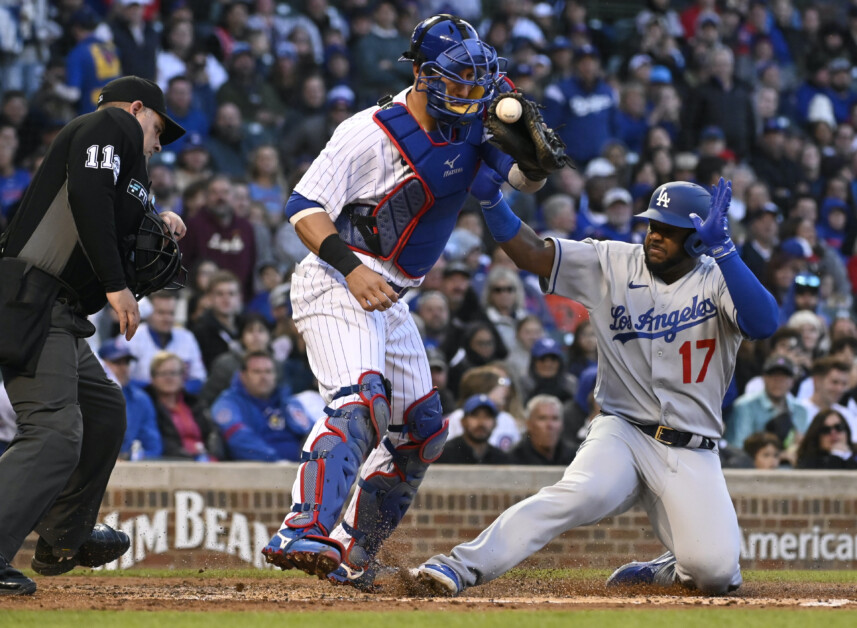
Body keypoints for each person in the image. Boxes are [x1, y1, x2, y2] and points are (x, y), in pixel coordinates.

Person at [261, 14, 558, 590]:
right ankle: (302, 528)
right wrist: (350, 271)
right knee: (361, 401)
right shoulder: (369, 131)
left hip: (394, 292)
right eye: (459, 82)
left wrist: (537, 158)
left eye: (479, 83)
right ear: (422, 76)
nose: (472, 96)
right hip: (338, 273)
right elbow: (304, 206)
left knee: (422, 432)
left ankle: (351, 551)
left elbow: (525, 179)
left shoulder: (476, 125)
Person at [414, 176, 779, 597]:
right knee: (575, 495)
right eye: (652, 226)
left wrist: (728, 252)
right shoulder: (611, 262)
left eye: (670, 231)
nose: (655, 236)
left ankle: (672, 568)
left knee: (715, 574)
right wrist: (493, 199)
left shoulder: (719, 278)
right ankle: (459, 566)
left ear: (698, 241)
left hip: (690, 449)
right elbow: (532, 253)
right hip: (622, 432)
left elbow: (764, 323)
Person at [0, 76, 186, 595]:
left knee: (105, 410)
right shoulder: (108, 123)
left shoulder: (125, 164)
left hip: (56, 312)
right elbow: (87, 197)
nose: (157, 141)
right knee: (56, 434)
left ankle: (64, 534)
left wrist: (159, 219)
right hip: (32, 301)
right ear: (136, 107)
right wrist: (116, 285)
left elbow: (109, 209)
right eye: (157, 129)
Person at [211, 351, 320, 462]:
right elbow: (239, 438)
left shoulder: (287, 401)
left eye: (268, 372)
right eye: (256, 372)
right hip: (258, 471)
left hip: (301, 468)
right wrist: (276, 461)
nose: (263, 377)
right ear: (243, 376)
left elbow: (311, 433)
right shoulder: (228, 403)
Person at [145, 351, 221, 461]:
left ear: (183, 377)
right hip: (173, 463)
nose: (169, 378)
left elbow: (212, 434)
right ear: (152, 378)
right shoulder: (148, 405)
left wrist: (213, 456)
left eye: (174, 373)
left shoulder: (195, 403)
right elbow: (162, 443)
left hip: (205, 461)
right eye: (163, 373)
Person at [126, 290, 207, 394]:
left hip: (179, 401)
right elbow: (124, 380)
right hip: (144, 400)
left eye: (171, 313)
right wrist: (157, 388)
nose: (167, 318)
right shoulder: (131, 337)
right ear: (147, 313)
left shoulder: (187, 337)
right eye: (161, 312)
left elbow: (200, 378)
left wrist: (175, 389)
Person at [725, 355, 808, 450]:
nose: (778, 381)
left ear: (792, 382)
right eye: (773, 376)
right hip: (750, 463)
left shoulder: (801, 410)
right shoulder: (744, 406)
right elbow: (739, 447)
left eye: (784, 377)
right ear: (764, 378)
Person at [98, 339, 162, 461]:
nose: (124, 368)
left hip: (129, 468)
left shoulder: (140, 399)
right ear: (101, 364)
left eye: (126, 362)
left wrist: (129, 457)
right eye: (117, 362)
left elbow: (153, 447)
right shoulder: (87, 395)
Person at [435, 394, 510, 465]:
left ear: (495, 423)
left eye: (487, 416)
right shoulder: (444, 454)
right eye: (475, 415)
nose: (481, 422)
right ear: (463, 421)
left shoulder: (501, 458)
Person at [508, 394, 576, 466]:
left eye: (555, 418)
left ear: (562, 424)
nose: (550, 425)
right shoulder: (513, 459)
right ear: (529, 424)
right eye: (542, 418)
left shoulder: (576, 457)